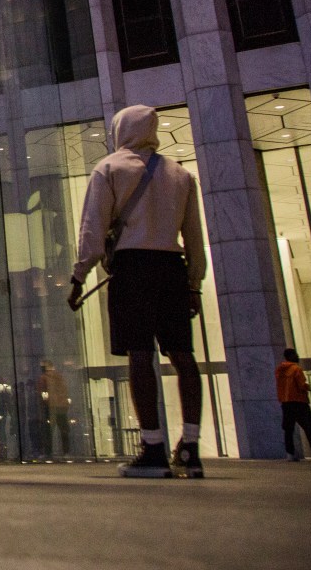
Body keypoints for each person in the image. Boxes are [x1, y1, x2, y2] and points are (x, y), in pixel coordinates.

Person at [67, 104, 206, 479]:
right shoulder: (180, 174)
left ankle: (153, 445)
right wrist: (194, 284)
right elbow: (194, 236)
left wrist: (79, 276)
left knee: (139, 354)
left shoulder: (109, 168)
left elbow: (93, 231)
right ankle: (191, 446)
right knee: (183, 355)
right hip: (172, 268)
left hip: (132, 267)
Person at [275, 348, 311, 462]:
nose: (297, 356)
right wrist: (308, 387)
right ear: (291, 356)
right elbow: (302, 385)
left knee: (288, 430)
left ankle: (290, 454)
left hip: (286, 403)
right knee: (310, 428)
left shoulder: (279, 370)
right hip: (299, 402)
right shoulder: (296, 369)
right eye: (295, 354)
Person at [38, 361, 71, 456]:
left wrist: (43, 405)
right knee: (64, 430)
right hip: (62, 407)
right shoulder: (60, 377)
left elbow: (43, 394)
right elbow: (65, 391)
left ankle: (48, 452)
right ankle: (66, 451)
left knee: (48, 431)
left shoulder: (43, 378)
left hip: (50, 406)